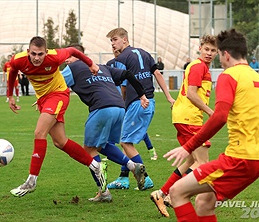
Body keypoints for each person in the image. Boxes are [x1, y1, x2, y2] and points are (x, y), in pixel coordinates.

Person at [163, 28, 259, 221]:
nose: (219, 61)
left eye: (219, 54)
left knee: (177, 192)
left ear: (226, 54)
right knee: (204, 203)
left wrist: (188, 147)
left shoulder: (229, 75)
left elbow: (220, 116)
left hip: (238, 159)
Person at [7, 36, 106, 198]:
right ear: (28, 52)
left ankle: (31, 180)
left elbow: (74, 51)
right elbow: (12, 72)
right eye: (33, 54)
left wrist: (91, 64)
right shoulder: (18, 60)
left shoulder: (55, 56)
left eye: (40, 54)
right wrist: (10, 95)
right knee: (60, 142)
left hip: (58, 95)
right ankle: (94, 165)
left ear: (46, 52)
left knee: (39, 132)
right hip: (43, 99)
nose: (37, 58)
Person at [62, 43, 149, 202]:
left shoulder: (72, 68)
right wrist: (142, 95)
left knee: (88, 150)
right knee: (100, 146)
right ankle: (132, 166)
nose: (66, 60)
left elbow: (56, 86)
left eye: (69, 56)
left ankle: (104, 192)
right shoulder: (103, 67)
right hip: (119, 109)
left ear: (79, 56)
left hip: (102, 108)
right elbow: (128, 74)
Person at [150, 34, 217, 217]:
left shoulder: (201, 67)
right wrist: (211, 112)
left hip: (185, 117)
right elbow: (191, 94)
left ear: (217, 52)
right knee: (203, 164)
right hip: (189, 119)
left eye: (213, 50)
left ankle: (162, 193)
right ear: (200, 48)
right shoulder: (198, 66)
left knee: (191, 161)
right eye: (206, 49)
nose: (209, 53)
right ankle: (176, 194)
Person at [106, 27, 175, 190]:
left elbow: (123, 86)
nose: (113, 44)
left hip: (138, 103)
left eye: (115, 39)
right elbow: (157, 74)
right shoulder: (144, 53)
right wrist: (169, 97)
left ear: (125, 39)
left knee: (125, 142)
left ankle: (145, 178)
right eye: (111, 41)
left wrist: (122, 105)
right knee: (126, 140)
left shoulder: (121, 58)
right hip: (149, 103)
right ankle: (124, 178)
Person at [107, 49, 158, 161]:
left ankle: (150, 150)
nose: (116, 53)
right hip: (116, 101)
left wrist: (123, 102)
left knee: (127, 138)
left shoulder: (126, 66)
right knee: (123, 134)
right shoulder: (110, 64)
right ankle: (123, 174)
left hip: (128, 102)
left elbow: (124, 86)